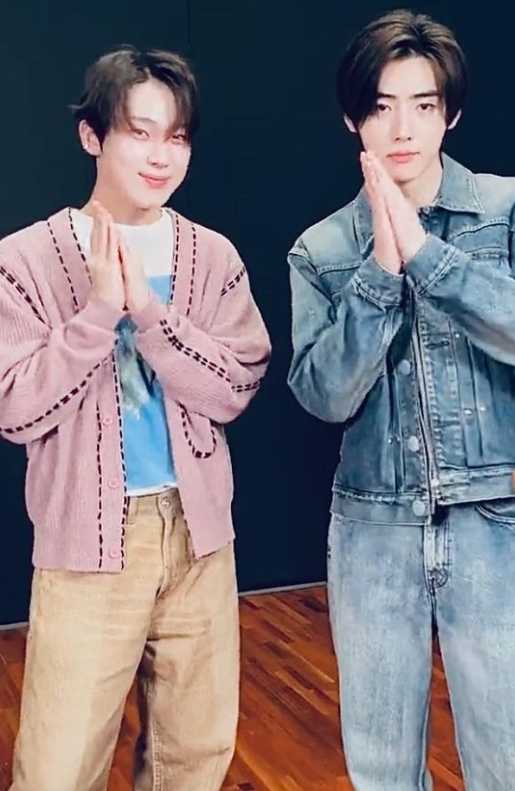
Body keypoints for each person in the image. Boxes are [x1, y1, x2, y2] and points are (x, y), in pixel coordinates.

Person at [0, 45, 271, 791]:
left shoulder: (212, 256)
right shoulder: (24, 259)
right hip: (89, 548)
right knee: (58, 768)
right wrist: (100, 311)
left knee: (194, 755)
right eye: (140, 132)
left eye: (177, 137)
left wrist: (150, 316)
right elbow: (13, 405)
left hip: (201, 540)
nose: (160, 155)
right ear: (92, 136)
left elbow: (236, 383)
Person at [288, 10, 515, 790]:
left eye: (422, 104)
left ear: (450, 112)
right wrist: (381, 274)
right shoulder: (321, 249)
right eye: (380, 106)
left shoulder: (503, 212)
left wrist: (425, 256)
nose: (402, 127)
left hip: (495, 518)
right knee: (381, 767)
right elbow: (323, 394)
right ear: (352, 118)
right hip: (372, 531)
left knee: (506, 756)